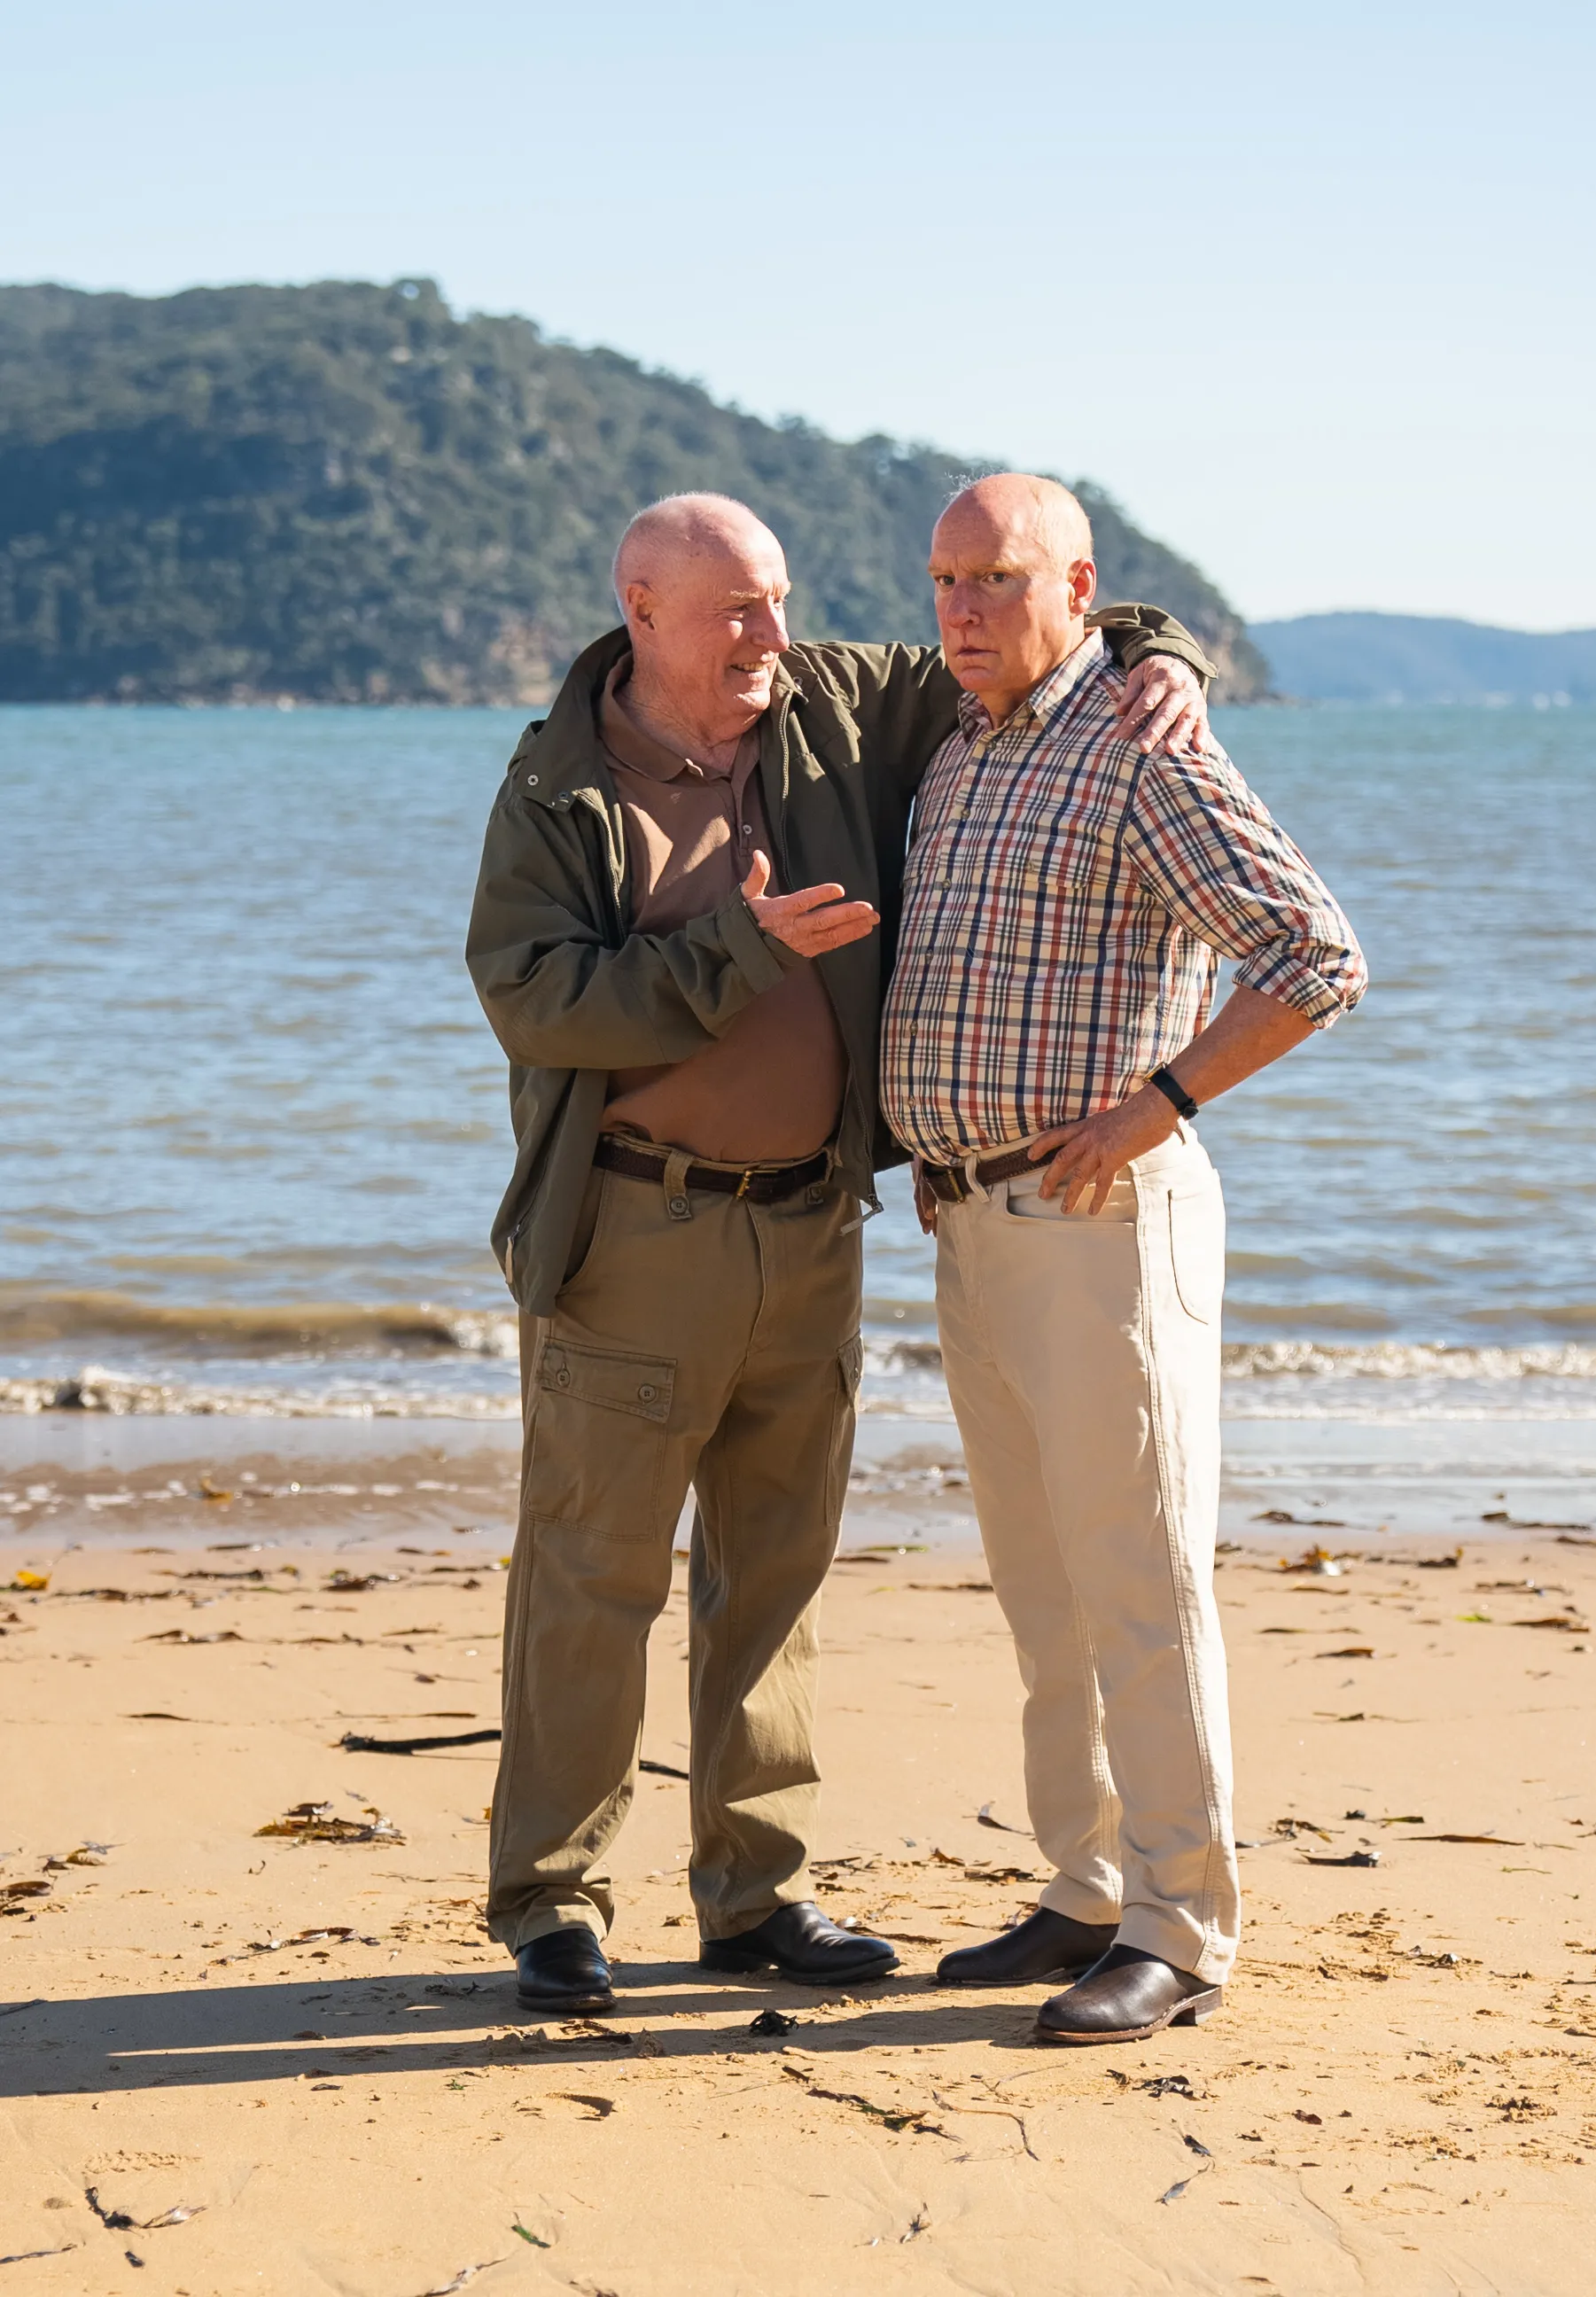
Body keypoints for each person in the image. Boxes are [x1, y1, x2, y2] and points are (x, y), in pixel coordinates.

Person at [465, 491, 1213, 2013]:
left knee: (779, 1576)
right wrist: (739, 952)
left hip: (811, 1226)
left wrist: (1164, 646)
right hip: (633, 1232)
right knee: (590, 1577)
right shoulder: (557, 785)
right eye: (737, 611)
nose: (773, 637)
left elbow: (1028, 632)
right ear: (643, 608)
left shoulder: (830, 703)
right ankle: (553, 1902)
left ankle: (756, 1896)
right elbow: (542, 1002)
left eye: (782, 601)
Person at [880, 474, 1366, 2044]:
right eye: (945, 579)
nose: (962, 610)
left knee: (1142, 1587)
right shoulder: (958, 748)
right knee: (1044, 1591)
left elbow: (1315, 952)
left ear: (1078, 587)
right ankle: (1084, 1887)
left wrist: (1159, 1106)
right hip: (974, 1220)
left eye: (996, 580)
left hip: (1101, 1227)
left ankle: (1180, 1925)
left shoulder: (1141, 743)